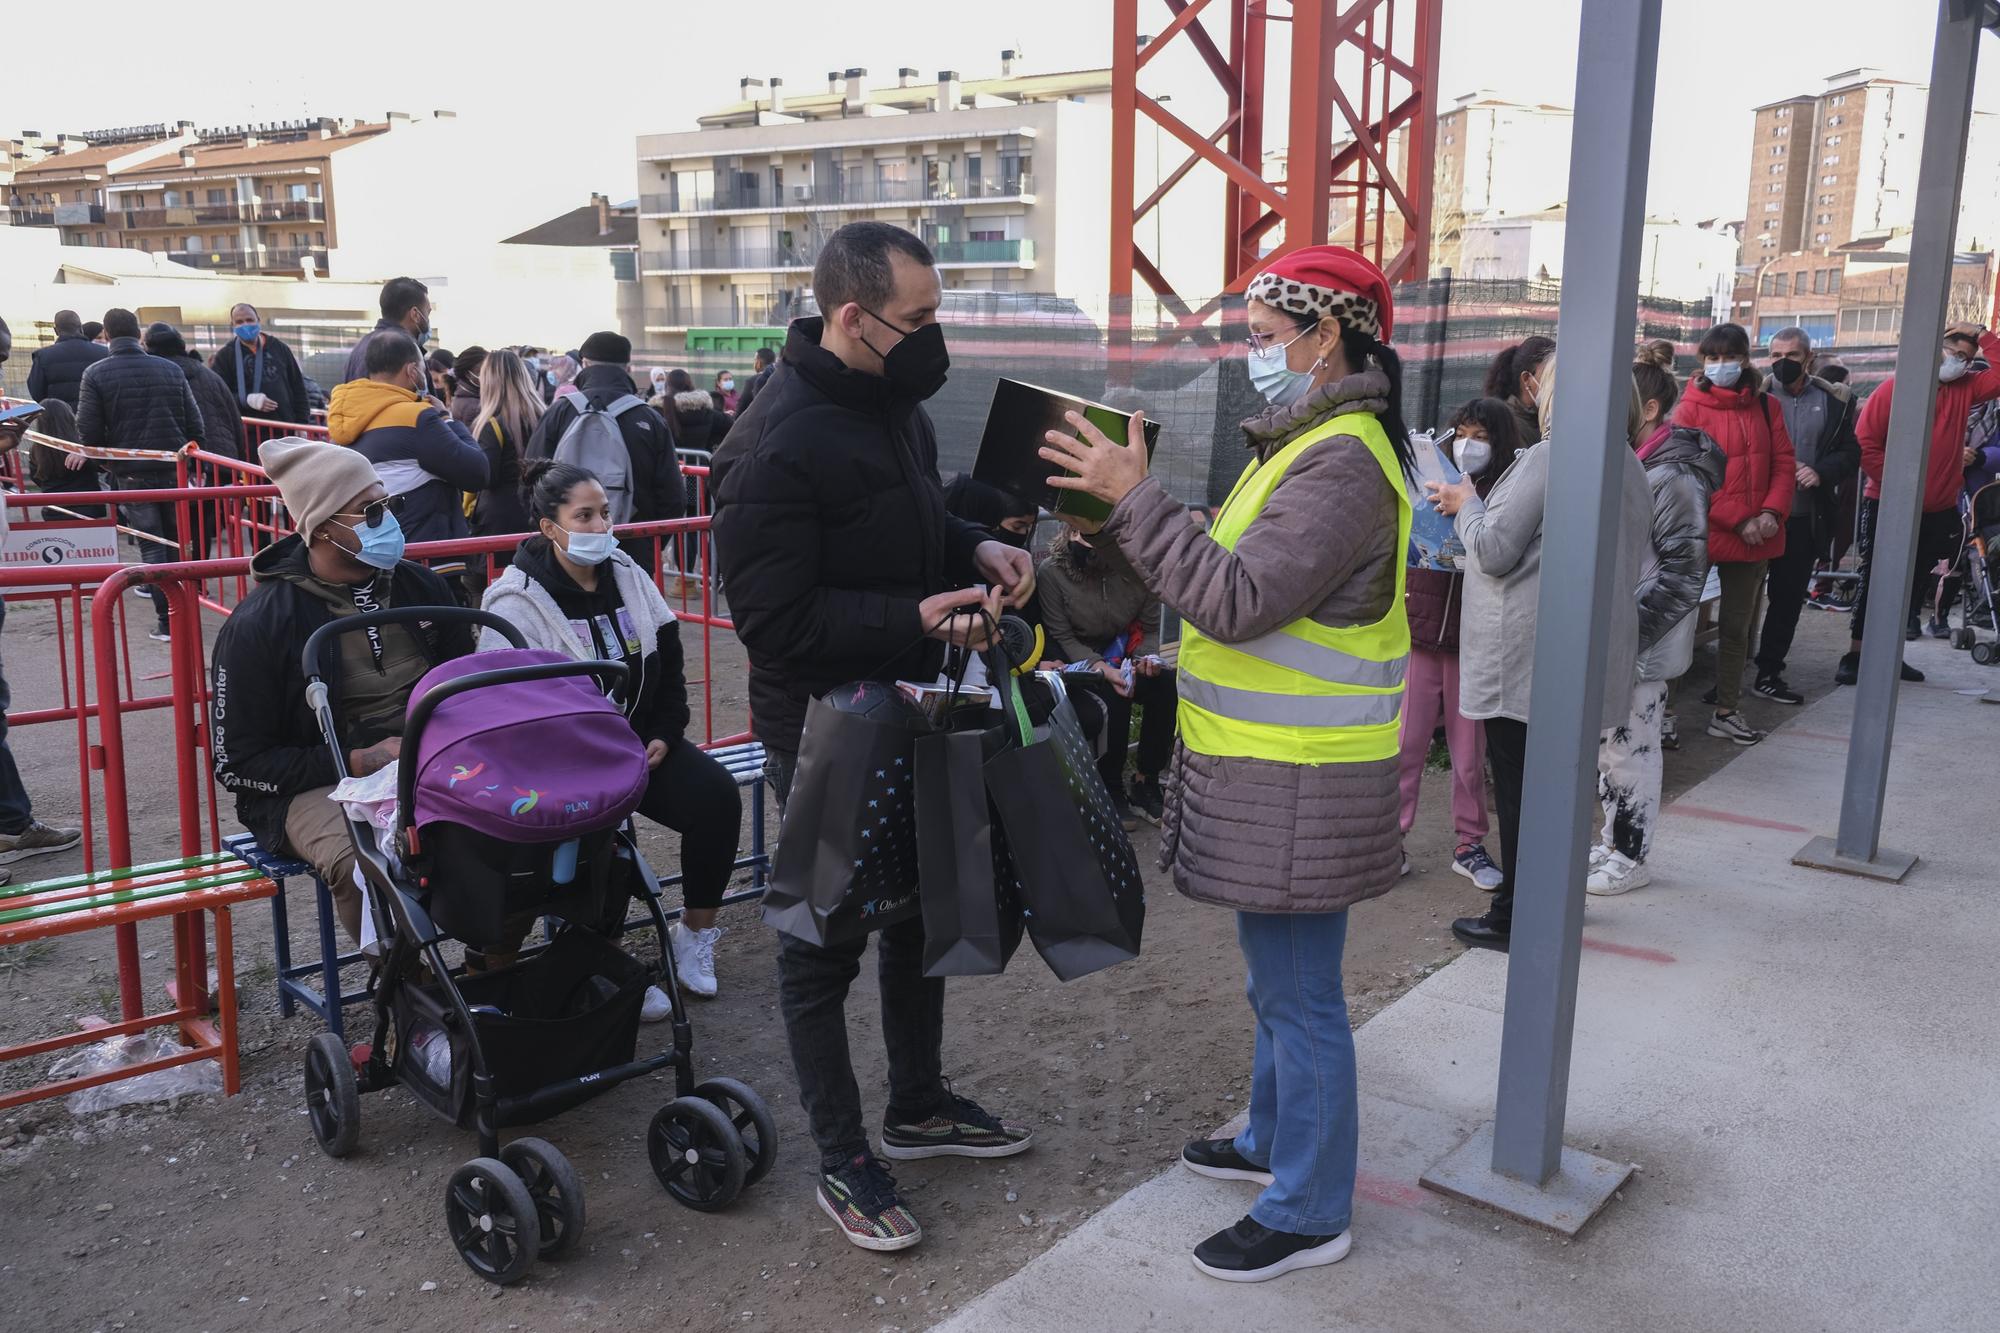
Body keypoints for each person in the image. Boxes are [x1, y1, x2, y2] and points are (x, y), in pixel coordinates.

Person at [1042, 244, 1420, 1282]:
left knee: (1301, 999)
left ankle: (1307, 1208)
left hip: (1301, 775)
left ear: (1322, 334)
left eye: (1260, 339)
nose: (1250, 357)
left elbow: (1238, 601)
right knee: (1276, 986)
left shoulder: (1340, 459)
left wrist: (1136, 500)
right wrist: (1143, 518)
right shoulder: (1307, 444)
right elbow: (1246, 565)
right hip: (1273, 769)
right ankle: (1267, 1138)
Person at [711, 221, 1036, 1254]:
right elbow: (775, 625)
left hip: (919, 700)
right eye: (922, 318)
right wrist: (911, 619)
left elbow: (909, 521)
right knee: (818, 944)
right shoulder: (770, 445)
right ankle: (843, 1157)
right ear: (852, 318)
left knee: (919, 912)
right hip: (822, 728)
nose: (936, 338)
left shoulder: (893, 402)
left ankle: (919, 1099)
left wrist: (971, 542)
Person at [479, 460, 742, 1004]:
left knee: (716, 797)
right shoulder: (514, 604)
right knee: (602, 841)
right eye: (585, 516)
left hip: (641, 746)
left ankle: (693, 936)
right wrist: (595, 758)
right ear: (549, 527)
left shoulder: (629, 575)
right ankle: (599, 963)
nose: (602, 527)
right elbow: (509, 713)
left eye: (604, 513)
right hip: (566, 767)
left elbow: (669, 668)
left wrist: (667, 732)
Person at [1428, 350, 1655, 953]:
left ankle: (1515, 915)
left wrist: (1463, 503)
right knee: (1562, 791)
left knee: (1523, 791)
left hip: (1526, 658)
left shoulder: (1550, 457)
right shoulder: (1628, 462)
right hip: (1587, 657)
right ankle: (1552, 907)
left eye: (1543, 384)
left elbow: (1495, 549)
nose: (1532, 393)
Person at [211, 438, 473, 944]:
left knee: (519, 813)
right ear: (322, 525)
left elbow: (466, 690)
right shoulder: (261, 623)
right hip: (311, 785)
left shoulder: (423, 587)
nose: (390, 519)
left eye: (389, 504)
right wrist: (356, 760)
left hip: (429, 759)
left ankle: (498, 967)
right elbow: (238, 764)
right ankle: (410, 1000)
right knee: (364, 862)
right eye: (369, 510)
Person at [1588, 361, 1723, 896]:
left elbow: (1683, 572)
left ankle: (1631, 853)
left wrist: (1628, 636)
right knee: (1611, 750)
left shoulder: (1674, 476)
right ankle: (1614, 841)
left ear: (1648, 409)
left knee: (1633, 747)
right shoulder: (1637, 466)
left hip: (1641, 643)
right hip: (1623, 638)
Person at [1398, 397, 1519, 892]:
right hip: (1422, 636)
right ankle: (1390, 839)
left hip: (1475, 642)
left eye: (1482, 437)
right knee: (1406, 742)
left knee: (1469, 755)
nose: (1469, 445)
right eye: (1463, 433)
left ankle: (1469, 843)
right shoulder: (1432, 478)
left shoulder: (1509, 492)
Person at [1837, 321, 2000, 685]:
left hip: (1938, 507)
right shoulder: (1895, 389)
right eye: (1954, 353)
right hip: (1889, 503)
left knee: (1912, 585)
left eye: (1966, 357)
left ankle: (1892, 656)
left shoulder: (1965, 388)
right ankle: (1856, 654)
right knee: (1875, 579)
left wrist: (1983, 336)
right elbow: (1867, 445)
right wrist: (1899, 487)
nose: (1959, 361)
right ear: (1933, 349)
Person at [1673, 323, 1795, 743]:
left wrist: (1771, 513)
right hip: (1702, 532)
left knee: (1738, 629)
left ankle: (1727, 709)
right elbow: (1688, 475)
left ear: (1745, 359)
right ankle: (1664, 711)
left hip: (1755, 535)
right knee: (1678, 624)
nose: (1720, 365)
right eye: (1712, 357)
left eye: (1728, 357)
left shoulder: (1767, 407)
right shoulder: (1689, 408)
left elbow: (1783, 464)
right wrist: (1741, 518)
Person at [76, 307, 204, 642]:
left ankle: (167, 623)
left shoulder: (95, 373)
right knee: (178, 546)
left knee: (152, 548)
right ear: (139, 334)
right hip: (173, 470)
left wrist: (110, 462)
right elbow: (196, 425)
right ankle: (186, 618)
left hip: (131, 473)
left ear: (106, 335)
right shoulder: (170, 369)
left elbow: (88, 432)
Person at [327, 331, 487, 596]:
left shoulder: (346, 415)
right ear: (412, 371)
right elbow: (478, 471)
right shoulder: (416, 417)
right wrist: (447, 419)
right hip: (428, 559)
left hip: (374, 555)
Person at [1035, 525, 1173, 826]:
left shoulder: (1139, 569)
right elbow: (1063, 637)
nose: (1091, 544)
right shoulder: (1051, 573)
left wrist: (1144, 660)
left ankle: (1145, 780)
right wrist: (1101, 667)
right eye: (1082, 535)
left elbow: (1149, 628)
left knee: (1164, 685)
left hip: (1124, 651)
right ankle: (1110, 787)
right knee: (1114, 695)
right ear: (1069, 531)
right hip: (1079, 659)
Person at [1750, 328, 1858, 703]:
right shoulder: (1754, 396)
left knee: (1787, 598)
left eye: (1792, 355)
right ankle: (1727, 676)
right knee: (1743, 598)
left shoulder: (1835, 400)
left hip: (1803, 518)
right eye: (1775, 354)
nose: (1782, 362)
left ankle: (1768, 671)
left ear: (1809, 358)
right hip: (1755, 516)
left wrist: (1821, 471)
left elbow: (1850, 452)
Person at [525, 332, 684, 568]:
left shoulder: (560, 412)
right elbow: (673, 497)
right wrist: (648, 544)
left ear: (585, 364)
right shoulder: (648, 418)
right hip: (631, 549)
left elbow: (530, 479)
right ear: (627, 368)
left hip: (565, 551)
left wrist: (552, 535)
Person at [468, 348, 544, 559]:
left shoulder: (491, 425)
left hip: (498, 525)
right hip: (541, 517)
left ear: (488, 381)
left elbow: (486, 477)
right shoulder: (544, 418)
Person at [209, 303, 311, 424]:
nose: (245, 325)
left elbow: (298, 387)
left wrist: (302, 423)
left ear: (258, 321)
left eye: (250, 320)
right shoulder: (225, 356)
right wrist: (246, 400)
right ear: (233, 325)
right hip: (249, 431)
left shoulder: (280, 348)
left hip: (285, 428)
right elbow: (218, 396)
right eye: (240, 322)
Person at [340, 277, 432, 387]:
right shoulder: (406, 349)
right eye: (428, 312)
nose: (428, 319)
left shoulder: (361, 346)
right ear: (415, 314)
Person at [26, 309, 108, 407]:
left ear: (56, 331)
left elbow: (36, 392)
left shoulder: (43, 356)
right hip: (95, 417)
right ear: (81, 328)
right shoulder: (104, 353)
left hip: (59, 418)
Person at [1485, 335, 1556, 449]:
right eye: (1548, 375)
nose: (1553, 382)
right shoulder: (1507, 425)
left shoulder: (1544, 419)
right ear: (1527, 379)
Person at [665, 388, 732, 455]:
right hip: (704, 462)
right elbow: (731, 425)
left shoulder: (670, 414)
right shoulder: (709, 414)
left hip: (677, 462)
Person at [448, 345, 486, 431]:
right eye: (482, 371)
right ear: (468, 374)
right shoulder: (474, 407)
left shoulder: (463, 396)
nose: (487, 376)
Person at [736, 347, 778, 417]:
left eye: (755, 360)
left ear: (758, 362)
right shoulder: (781, 377)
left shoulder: (752, 381)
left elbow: (742, 407)